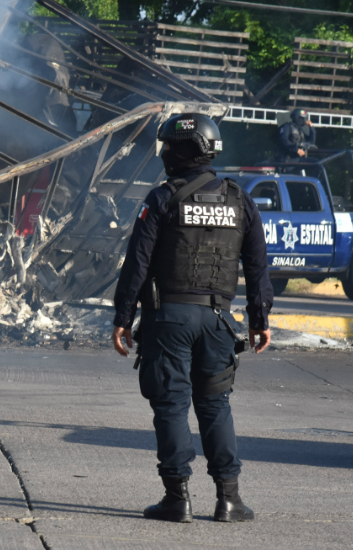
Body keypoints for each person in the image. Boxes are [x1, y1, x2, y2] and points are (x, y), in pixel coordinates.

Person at [111, 113, 274, 523]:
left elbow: (137, 264)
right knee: (215, 405)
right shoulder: (240, 199)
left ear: (189, 150)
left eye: (170, 146)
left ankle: (176, 498)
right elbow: (257, 266)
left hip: (169, 320)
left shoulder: (162, 198)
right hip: (219, 321)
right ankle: (229, 500)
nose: (165, 153)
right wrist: (259, 320)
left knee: (170, 404)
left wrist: (122, 316)